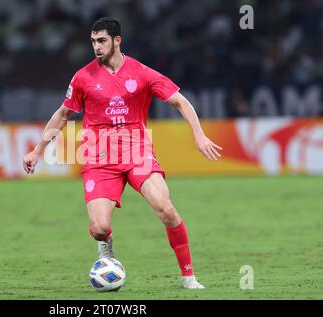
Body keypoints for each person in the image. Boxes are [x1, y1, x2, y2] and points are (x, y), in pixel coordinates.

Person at [23, 17, 222, 289]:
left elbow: (180, 101)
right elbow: (63, 114)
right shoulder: (83, 77)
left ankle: (188, 276)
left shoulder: (141, 73)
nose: (96, 46)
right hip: (99, 158)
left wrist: (198, 135)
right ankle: (106, 247)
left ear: (117, 41)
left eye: (102, 40)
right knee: (100, 228)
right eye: (93, 41)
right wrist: (37, 151)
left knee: (166, 209)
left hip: (136, 151)